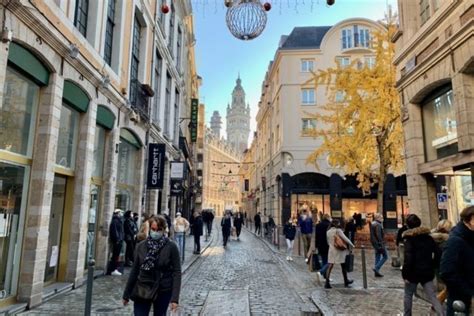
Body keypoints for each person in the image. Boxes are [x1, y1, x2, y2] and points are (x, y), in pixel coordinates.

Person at [122, 215, 181, 316]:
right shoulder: (141, 246)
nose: (155, 232)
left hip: (162, 289)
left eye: (159, 230)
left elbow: (177, 272)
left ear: (163, 230)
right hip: (143, 287)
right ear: (149, 228)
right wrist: (126, 294)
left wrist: (174, 299)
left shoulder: (171, 247)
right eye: (153, 229)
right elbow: (135, 270)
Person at [401, 214, 444, 316]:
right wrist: (433, 265)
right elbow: (438, 253)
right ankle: (442, 314)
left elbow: (408, 258)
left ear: (408, 225)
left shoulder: (409, 239)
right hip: (427, 271)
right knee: (433, 296)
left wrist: (405, 275)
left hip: (412, 273)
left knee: (408, 295)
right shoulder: (428, 238)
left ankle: (407, 315)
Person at [440, 206, 474, 316]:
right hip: (460, 300)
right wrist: (468, 291)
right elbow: (446, 272)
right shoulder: (456, 240)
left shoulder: (470, 237)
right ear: (471, 219)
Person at [325, 219, 354, 289]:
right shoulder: (338, 231)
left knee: (330, 265)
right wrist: (352, 245)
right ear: (337, 224)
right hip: (339, 250)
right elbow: (345, 238)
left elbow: (328, 241)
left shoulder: (328, 231)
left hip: (331, 250)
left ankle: (327, 282)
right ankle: (346, 281)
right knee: (343, 265)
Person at [430, 219, 453, 305]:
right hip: (448, 264)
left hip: (436, 263)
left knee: (443, 284)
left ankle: (442, 300)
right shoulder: (450, 239)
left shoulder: (431, 237)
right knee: (448, 285)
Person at [370, 213, 388, 277]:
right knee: (385, 256)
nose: (382, 219)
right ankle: (376, 268)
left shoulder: (373, 224)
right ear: (378, 218)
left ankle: (376, 272)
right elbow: (378, 235)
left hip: (375, 243)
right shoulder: (378, 225)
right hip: (379, 243)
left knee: (377, 257)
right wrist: (381, 243)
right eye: (381, 217)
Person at [315, 213, 331, 284]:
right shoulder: (329, 225)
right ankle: (321, 272)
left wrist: (316, 246)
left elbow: (316, 236)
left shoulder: (318, 225)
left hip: (320, 245)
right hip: (327, 245)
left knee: (324, 260)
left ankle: (326, 277)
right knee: (330, 261)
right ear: (328, 218)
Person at [109, 209, 124, 276]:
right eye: (120, 212)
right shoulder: (115, 221)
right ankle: (113, 269)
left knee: (117, 255)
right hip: (117, 241)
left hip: (119, 240)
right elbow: (114, 231)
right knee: (115, 256)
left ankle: (115, 268)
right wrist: (117, 239)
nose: (121, 214)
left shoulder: (119, 220)